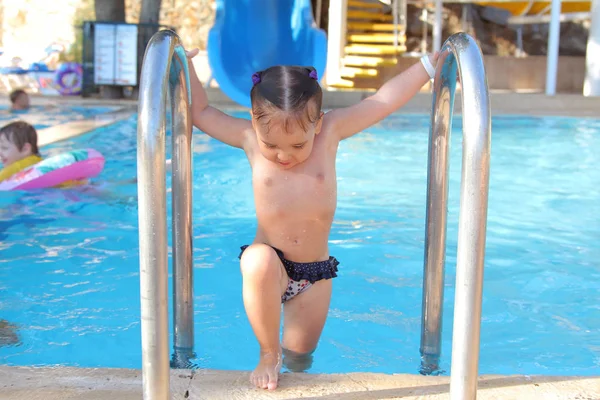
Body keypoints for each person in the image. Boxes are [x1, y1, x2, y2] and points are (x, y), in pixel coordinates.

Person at [185, 48, 439, 390]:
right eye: (271, 144)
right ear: (254, 120)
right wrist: (184, 63)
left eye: (297, 145)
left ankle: (286, 361)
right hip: (270, 267)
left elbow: (382, 102)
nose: (283, 155)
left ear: (317, 123)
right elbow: (200, 111)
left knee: (301, 359)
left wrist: (426, 66)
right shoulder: (247, 138)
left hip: (314, 274)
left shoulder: (331, 132)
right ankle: (266, 352)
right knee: (256, 259)